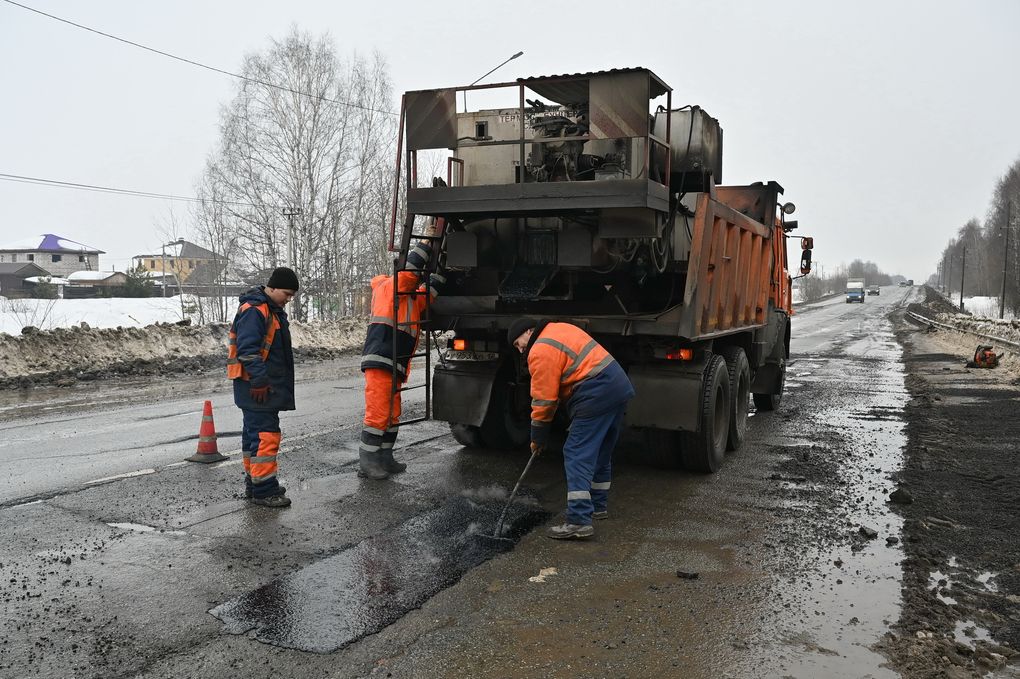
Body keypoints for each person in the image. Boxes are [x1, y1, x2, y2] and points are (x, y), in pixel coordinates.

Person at [508, 318, 635, 540]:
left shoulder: (540, 350)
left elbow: (544, 401)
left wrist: (537, 437)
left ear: (528, 332)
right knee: (601, 449)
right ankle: (597, 506)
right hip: (618, 385)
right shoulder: (558, 329)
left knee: (576, 453)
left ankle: (578, 521)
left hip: (596, 391)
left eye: (519, 344)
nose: (520, 351)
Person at [358, 219, 445, 480]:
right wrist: (427, 242)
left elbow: (429, 291)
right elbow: (410, 273)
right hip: (381, 359)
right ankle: (368, 463)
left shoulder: (408, 299)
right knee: (378, 412)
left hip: (394, 362)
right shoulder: (389, 287)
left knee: (392, 413)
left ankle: (385, 457)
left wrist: (442, 264)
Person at [227, 267, 299, 508]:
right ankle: (264, 491)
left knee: (253, 437)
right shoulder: (256, 311)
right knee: (265, 437)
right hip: (257, 388)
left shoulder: (270, 310)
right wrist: (258, 381)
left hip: (261, 387)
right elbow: (248, 351)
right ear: (273, 288)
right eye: (287, 294)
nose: (289, 299)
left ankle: (256, 483)